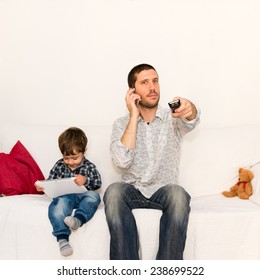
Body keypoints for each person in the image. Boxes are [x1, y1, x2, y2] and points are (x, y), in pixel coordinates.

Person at [103, 63, 200, 260]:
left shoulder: (172, 118)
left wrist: (189, 107)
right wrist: (134, 116)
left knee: (179, 195)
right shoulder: (121, 123)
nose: (152, 87)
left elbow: (192, 118)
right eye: (145, 82)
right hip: (133, 190)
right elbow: (121, 162)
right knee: (113, 192)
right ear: (133, 91)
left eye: (155, 81)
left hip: (164, 190)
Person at [35, 127, 102, 257]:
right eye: (67, 158)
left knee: (94, 196)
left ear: (84, 152)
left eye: (75, 158)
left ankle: (77, 220)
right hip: (65, 198)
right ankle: (62, 239)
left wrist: (86, 180)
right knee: (57, 206)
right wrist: (43, 186)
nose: (70, 162)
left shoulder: (89, 166)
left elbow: (98, 183)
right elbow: (51, 181)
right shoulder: (59, 165)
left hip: (83, 196)